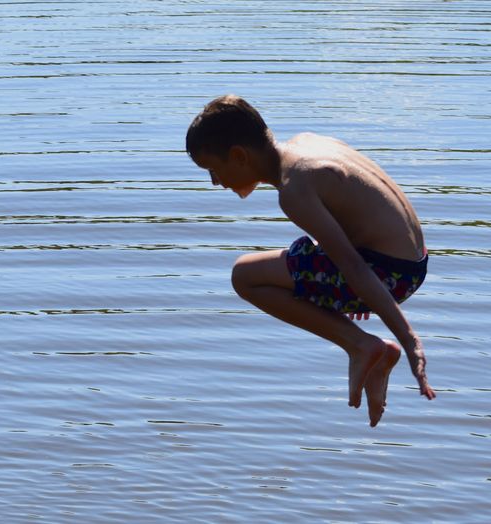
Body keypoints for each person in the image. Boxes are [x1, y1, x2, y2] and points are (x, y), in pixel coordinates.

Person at [186, 94, 436, 427]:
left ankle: (361, 345)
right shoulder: (307, 144)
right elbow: (356, 213)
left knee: (244, 276)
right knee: (302, 252)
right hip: (411, 263)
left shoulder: (293, 190)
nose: (215, 182)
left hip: (388, 273)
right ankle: (368, 347)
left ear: (239, 156)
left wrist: (410, 340)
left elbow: (352, 266)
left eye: (213, 170)